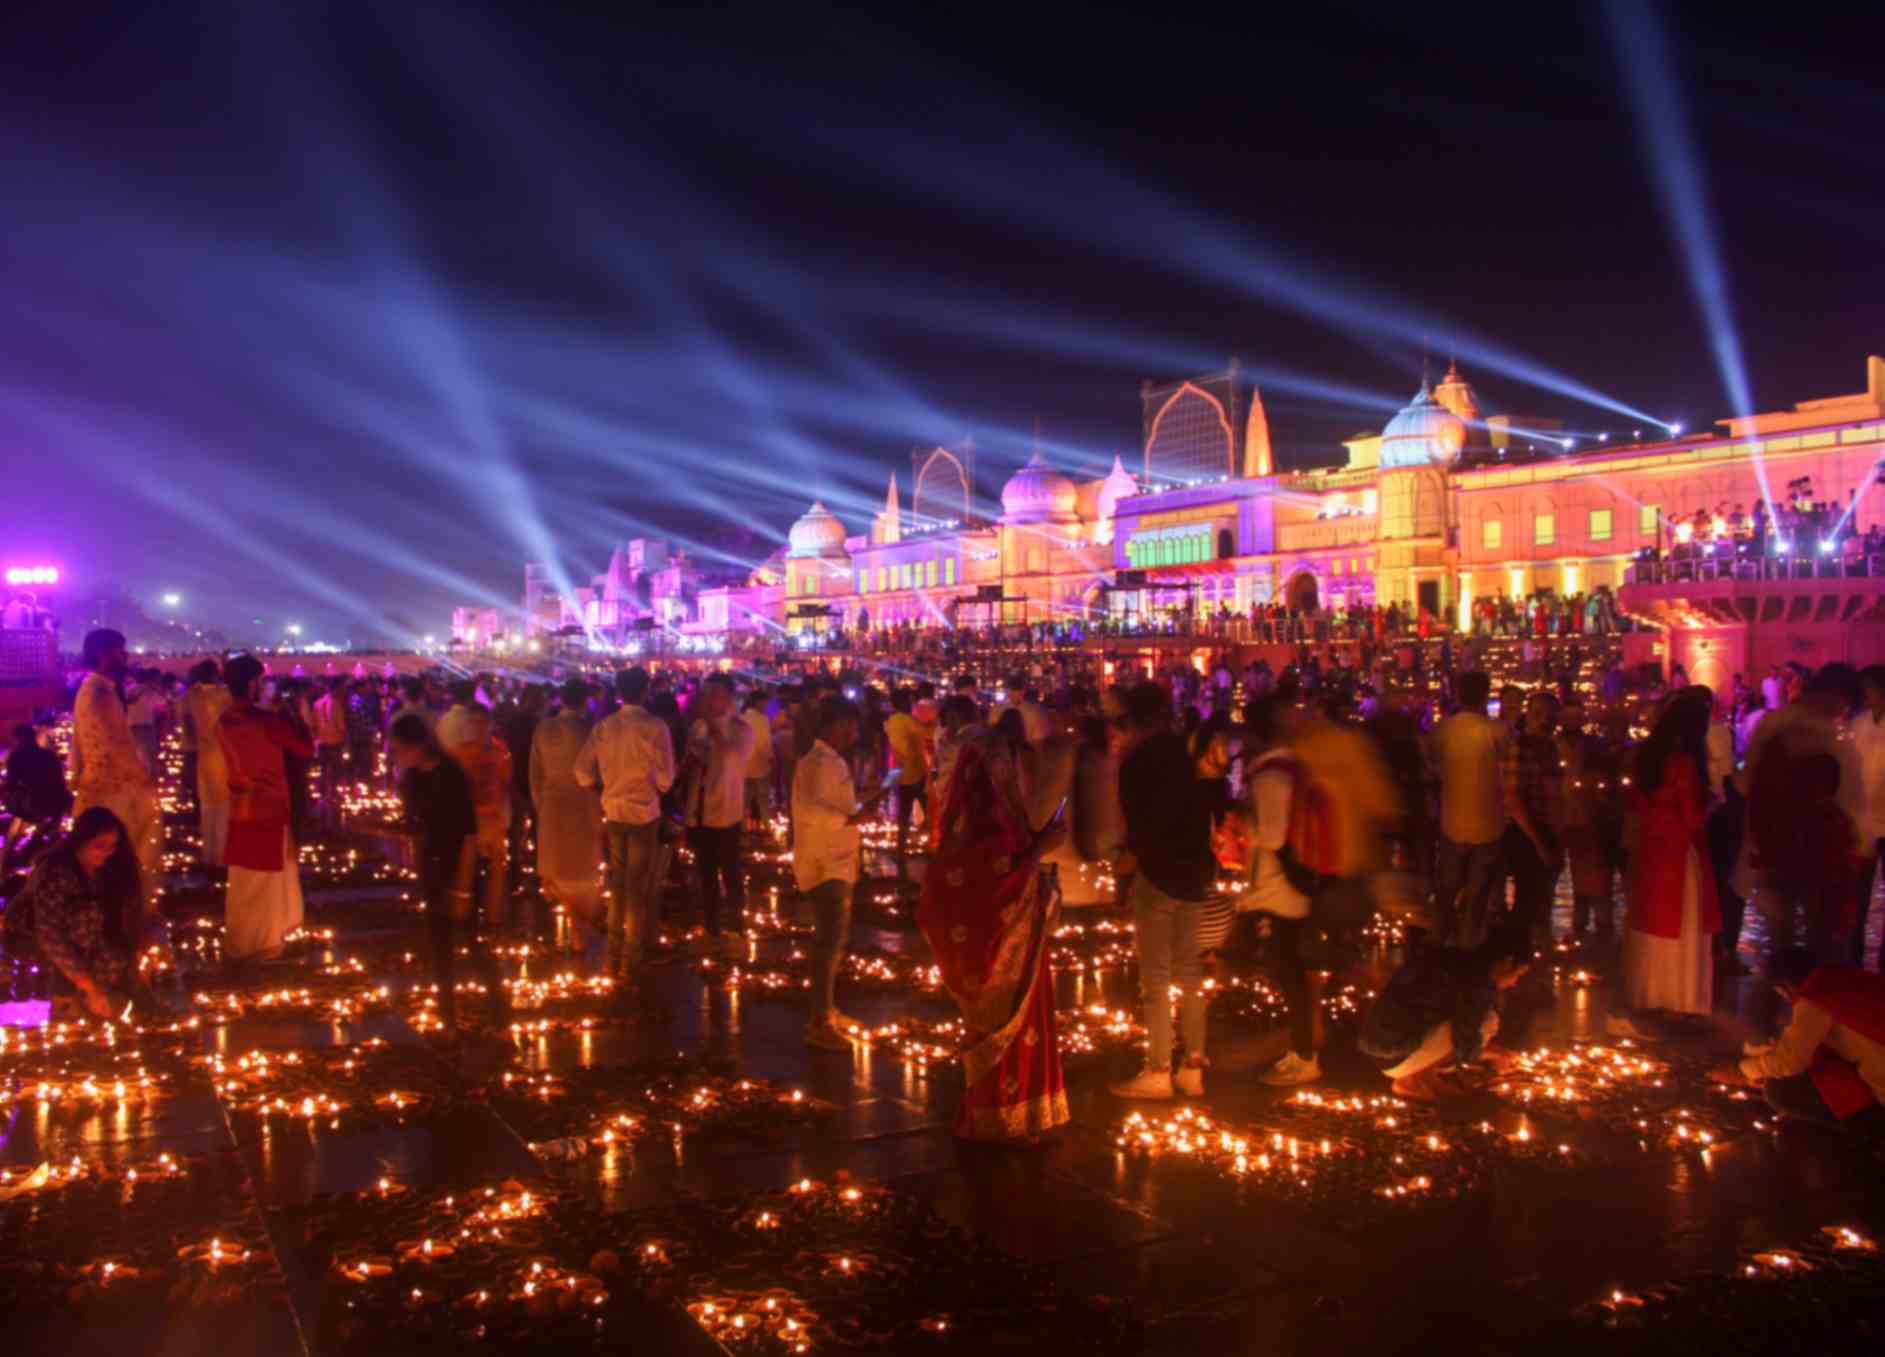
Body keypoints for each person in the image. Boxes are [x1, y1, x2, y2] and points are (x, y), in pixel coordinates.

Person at [918, 712, 1070, 1141]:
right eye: (1001, 764)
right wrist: (1041, 846)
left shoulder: (998, 820)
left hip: (1019, 945)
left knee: (1023, 1030)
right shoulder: (979, 828)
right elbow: (991, 884)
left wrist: (1036, 844)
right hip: (1001, 955)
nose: (1009, 772)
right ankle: (1000, 1120)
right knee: (1007, 1028)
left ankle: (1019, 1115)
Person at [1111, 682, 1216, 1099]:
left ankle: (1157, 1070)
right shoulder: (1184, 753)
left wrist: (1128, 865)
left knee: (1155, 978)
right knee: (1189, 972)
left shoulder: (1139, 761)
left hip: (1158, 872)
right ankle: (1193, 1068)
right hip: (1194, 870)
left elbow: (1143, 822)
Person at [389, 714, 508, 1037]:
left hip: (460, 867)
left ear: (419, 744)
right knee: (439, 948)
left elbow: (468, 833)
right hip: (431, 870)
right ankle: (449, 1019)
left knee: (473, 942)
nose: (398, 756)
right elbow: (415, 827)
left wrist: (463, 888)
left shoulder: (450, 773)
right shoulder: (413, 779)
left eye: (401, 750)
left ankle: (499, 1014)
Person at [1711, 947, 1885, 1141]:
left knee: (1779, 1090)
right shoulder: (1839, 978)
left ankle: (1865, 1130)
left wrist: (1741, 1071)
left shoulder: (1816, 998)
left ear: (1786, 984)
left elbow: (1791, 1060)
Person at [1617, 691, 1719, 1019]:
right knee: (1680, 925)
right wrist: (1712, 804)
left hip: (1651, 848)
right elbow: (1693, 816)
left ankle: (1647, 994)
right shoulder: (1684, 764)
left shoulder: (1647, 756)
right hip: (1678, 852)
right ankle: (1678, 1000)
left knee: (1652, 923)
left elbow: (1634, 805)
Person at [574, 667, 675, 988]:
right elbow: (666, 779)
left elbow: (581, 772)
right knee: (637, 887)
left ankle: (612, 957)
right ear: (645, 691)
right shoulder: (655, 726)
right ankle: (632, 958)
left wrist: (601, 785)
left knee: (618, 883)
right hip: (644, 813)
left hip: (614, 811)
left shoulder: (604, 727)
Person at [793, 696, 881, 1050]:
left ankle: (826, 1009)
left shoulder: (829, 762)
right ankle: (818, 1021)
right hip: (825, 863)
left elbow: (832, 804)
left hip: (837, 859)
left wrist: (861, 800)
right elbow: (811, 809)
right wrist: (850, 818)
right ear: (833, 726)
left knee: (834, 941)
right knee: (828, 943)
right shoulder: (816, 763)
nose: (854, 732)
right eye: (850, 725)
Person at [218, 654, 313, 965]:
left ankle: (241, 940)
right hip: (269, 808)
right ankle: (263, 944)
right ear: (252, 683)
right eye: (261, 680)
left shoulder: (224, 719)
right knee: (268, 878)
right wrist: (291, 714)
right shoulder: (266, 721)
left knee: (245, 879)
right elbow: (305, 747)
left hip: (240, 807)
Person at [7, 808, 143, 1019]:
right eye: (100, 846)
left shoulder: (105, 871)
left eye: (113, 847)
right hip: (48, 953)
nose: (107, 853)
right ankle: (70, 1004)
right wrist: (86, 984)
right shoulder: (56, 874)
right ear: (81, 841)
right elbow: (49, 934)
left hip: (91, 953)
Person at [1359, 936, 1532, 1102]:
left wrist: (1491, 1050)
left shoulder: (1455, 962)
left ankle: (1423, 1077)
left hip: (1382, 1050)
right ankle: (1416, 1081)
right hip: (1398, 1055)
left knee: (1479, 1026)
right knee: (1489, 1021)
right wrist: (1486, 1055)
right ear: (1507, 962)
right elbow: (1465, 1037)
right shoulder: (1477, 981)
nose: (1514, 983)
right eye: (1519, 974)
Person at [71, 629, 161, 919]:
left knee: (99, 859)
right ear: (103, 655)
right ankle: (122, 916)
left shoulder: (91, 689)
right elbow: (117, 745)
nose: (126, 656)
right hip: (115, 792)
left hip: (97, 788)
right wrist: (144, 780)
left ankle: (112, 913)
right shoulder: (100, 693)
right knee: (123, 855)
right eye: (120, 651)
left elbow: (78, 744)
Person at [1429, 671, 1507, 947]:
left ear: (1458, 695)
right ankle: (1469, 949)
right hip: (1489, 825)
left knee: (1446, 892)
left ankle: (1438, 948)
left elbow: (1431, 769)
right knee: (1477, 895)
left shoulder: (1443, 731)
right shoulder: (1498, 731)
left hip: (1452, 822)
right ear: (1486, 695)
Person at [681, 672, 753, 952]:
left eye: (715, 694)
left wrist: (712, 727)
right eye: (706, 693)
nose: (709, 700)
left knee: (731, 873)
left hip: (726, 812)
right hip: (699, 812)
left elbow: (732, 756)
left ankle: (736, 927)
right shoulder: (697, 727)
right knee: (706, 874)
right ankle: (712, 928)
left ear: (729, 697)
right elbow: (693, 764)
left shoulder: (741, 729)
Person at [531, 680, 604, 956]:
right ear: (585, 701)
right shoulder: (589, 731)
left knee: (559, 870)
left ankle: (575, 929)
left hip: (552, 804)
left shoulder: (543, 729)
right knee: (581, 871)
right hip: (583, 805)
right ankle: (578, 928)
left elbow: (534, 773)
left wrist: (541, 805)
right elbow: (597, 771)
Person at [437, 684, 514, 936]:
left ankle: (472, 917)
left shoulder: (469, 753)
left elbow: (502, 784)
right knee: (484, 867)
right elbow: (504, 784)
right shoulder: (494, 752)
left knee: (480, 867)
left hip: (480, 817)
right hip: (480, 816)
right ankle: (487, 917)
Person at [1501, 690, 1564, 944]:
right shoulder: (1520, 746)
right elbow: (1513, 799)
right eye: (1538, 714)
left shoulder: (1550, 748)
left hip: (1548, 829)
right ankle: (1519, 959)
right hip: (1526, 832)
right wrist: (1539, 842)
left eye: (1550, 716)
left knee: (1542, 900)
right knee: (1527, 901)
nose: (1544, 720)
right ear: (1527, 714)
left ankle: (1536, 956)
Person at [1, 722, 71, 873]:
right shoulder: (49, 755)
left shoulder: (17, 757)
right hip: (58, 805)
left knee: (8, 797)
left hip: (36, 806)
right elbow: (60, 783)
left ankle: (8, 858)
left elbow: (10, 785)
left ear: (18, 740)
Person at [1851, 665, 1885, 971]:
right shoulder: (1860, 724)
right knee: (1857, 892)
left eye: (1871, 689)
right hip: (1862, 819)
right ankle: (1853, 957)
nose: (1868, 696)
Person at [885, 687, 929, 883]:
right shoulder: (908, 722)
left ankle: (900, 850)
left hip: (901, 773)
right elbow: (925, 733)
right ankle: (934, 846)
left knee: (903, 815)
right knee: (929, 809)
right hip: (916, 772)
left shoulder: (891, 722)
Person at [741, 689, 774, 829]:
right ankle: (767, 828)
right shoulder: (762, 719)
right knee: (763, 800)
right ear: (757, 702)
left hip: (745, 766)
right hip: (760, 765)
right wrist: (771, 758)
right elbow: (765, 743)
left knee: (745, 801)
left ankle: (742, 830)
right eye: (765, 702)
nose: (766, 705)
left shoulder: (743, 718)